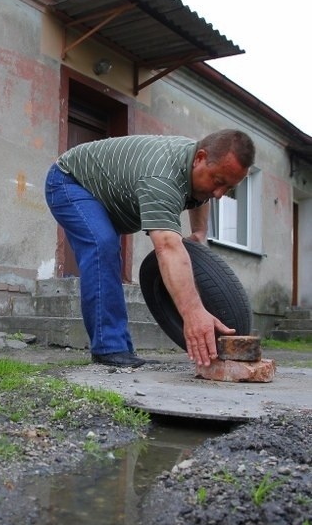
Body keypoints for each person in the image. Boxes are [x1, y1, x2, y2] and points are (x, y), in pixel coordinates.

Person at [45, 129, 255, 369]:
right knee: (101, 246)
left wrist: (199, 232)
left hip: (108, 192)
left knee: (108, 249)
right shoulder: (162, 177)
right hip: (70, 181)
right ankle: (109, 348)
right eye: (218, 182)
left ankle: (121, 348)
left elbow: (201, 195)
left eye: (227, 188)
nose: (219, 194)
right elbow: (166, 247)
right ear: (199, 158)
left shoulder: (199, 165)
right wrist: (193, 312)